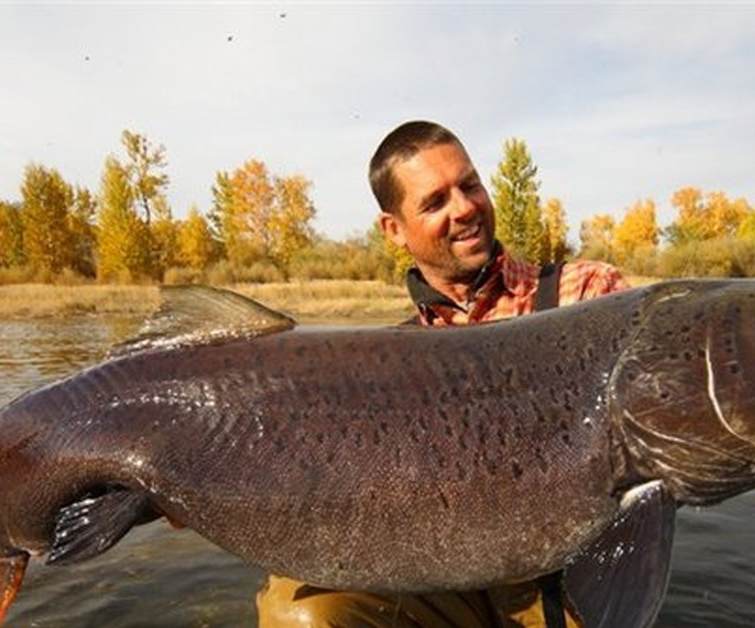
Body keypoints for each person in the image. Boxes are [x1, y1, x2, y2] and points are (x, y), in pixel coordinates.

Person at [255, 120, 629, 627]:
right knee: (300, 611)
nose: (465, 208)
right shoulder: (392, 360)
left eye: (470, 184)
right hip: (448, 580)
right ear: (394, 230)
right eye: (435, 202)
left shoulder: (585, 292)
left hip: (568, 586)